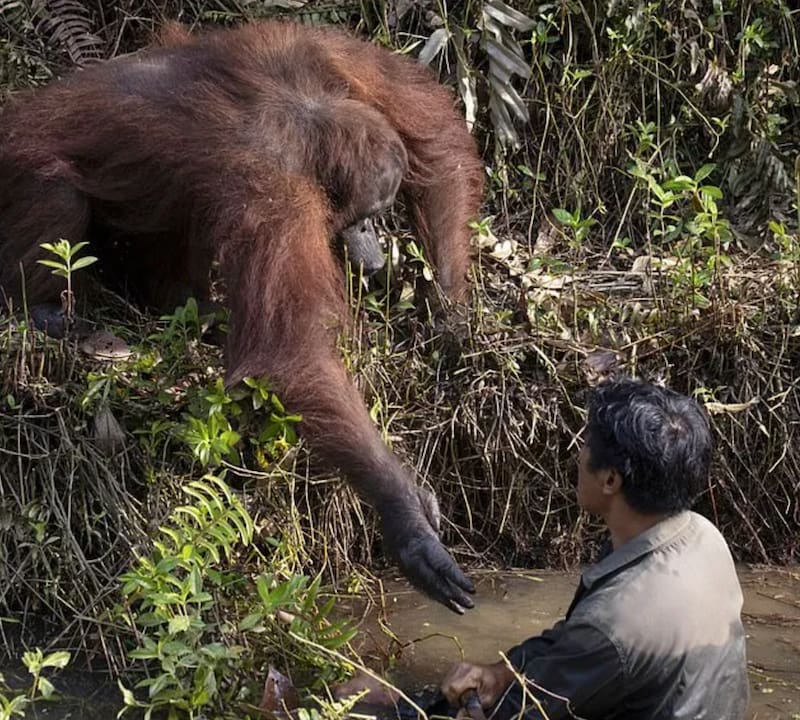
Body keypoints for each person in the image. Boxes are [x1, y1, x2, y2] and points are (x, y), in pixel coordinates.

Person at [439, 379, 750, 719]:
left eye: (586, 445)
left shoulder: (612, 623)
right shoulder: (704, 536)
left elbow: (527, 710)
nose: (578, 455)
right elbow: (574, 643)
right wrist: (502, 673)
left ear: (611, 480)